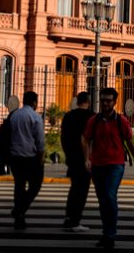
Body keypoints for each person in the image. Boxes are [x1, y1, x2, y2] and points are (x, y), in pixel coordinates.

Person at [83, 87, 134, 251]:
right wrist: (87, 159)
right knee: (103, 200)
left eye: (108, 100)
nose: (105, 103)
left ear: (114, 102)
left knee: (110, 197)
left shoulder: (121, 121)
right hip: (97, 165)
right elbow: (87, 140)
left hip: (115, 165)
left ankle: (110, 234)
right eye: (103, 100)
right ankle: (106, 233)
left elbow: (130, 144)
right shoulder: (94, 120)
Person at [9, 90, 45, 230]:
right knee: (35, 185)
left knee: (19, 186)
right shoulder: (35, 117)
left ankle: (19, 216)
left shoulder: (14, 115)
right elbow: (40, 141)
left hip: (15, 156)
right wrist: (41, 159)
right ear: (35, 103)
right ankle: (20, 210)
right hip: (30, 157)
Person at [60, 91, 93, 232]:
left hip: (72, 158)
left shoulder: (68, 116)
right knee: (82, 190)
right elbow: (92, 140)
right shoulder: (91, 117)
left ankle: (69, 217)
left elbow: (63, 138)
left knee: (74, 188)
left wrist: (67, 154)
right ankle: (75, 220)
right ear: (88, 102)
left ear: (77, 101)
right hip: (85, 159)